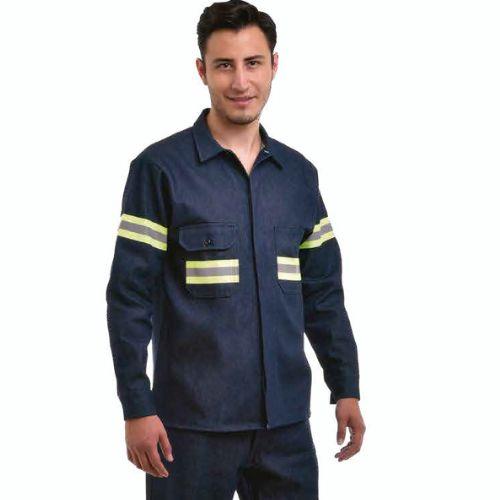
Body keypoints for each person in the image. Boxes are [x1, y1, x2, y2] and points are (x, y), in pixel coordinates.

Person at [105, 1, 366, 498]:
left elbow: (323, 296)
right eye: (224, 65)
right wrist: (137, 406)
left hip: (286, 427)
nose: (241, 82)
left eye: (253, 63)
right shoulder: (160, 170)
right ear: (202, 70)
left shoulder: (299, 177)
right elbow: (128, 299)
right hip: (189, 429)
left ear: (274, 66)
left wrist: (346, 386)